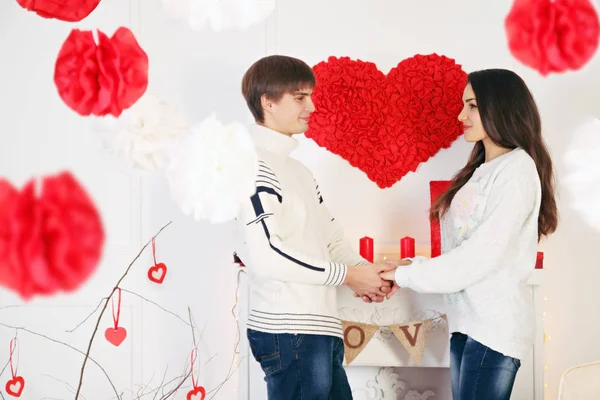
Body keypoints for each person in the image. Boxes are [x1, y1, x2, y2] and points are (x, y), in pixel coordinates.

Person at [381, 69, 558, 400]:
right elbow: (459, 251)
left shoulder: (517, 170)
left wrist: (406, 274)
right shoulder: (480, 171)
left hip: (493, 330)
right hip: (466, 325)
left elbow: (480, 256)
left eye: (472, 105)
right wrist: (410, 264)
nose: (462, 115)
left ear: (500, 107)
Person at [236, 54, 395, 400]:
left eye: (310, 95)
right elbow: (267, 256)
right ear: (268, 102)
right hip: (289, 331)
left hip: (318, 329)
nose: (311, 106)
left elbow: (330, 237)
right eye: (299, 97)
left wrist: (365, 274)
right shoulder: (252, 165)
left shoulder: (298, 171)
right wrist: (350, 276)